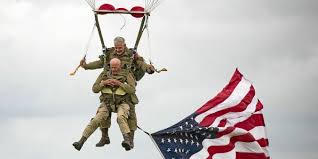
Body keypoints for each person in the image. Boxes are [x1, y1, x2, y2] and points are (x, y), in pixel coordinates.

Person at [73, 58, 136, 151]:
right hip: (107, 102)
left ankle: (127, 140)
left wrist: (119, 84)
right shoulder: (104, 74)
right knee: (96, 119)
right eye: (112, 67)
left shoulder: (127, 74)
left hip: (123, 102)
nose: (113, 69)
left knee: (121, 117)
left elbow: (132, 89)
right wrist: (104, 83)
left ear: (120, 66)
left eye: (116, 67)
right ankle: (81, 141)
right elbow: (95, 89)